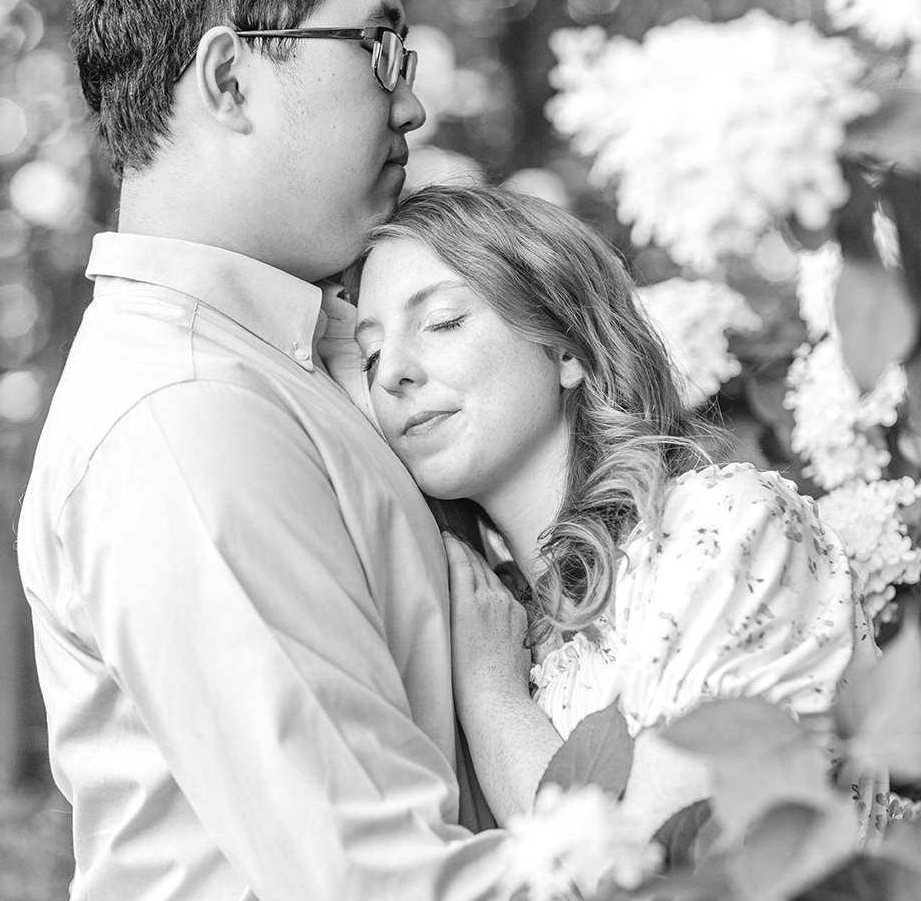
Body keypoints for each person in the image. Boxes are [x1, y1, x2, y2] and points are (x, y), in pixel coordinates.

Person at [14, 0, 575, 901]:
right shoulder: (189, 414)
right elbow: (387, 890)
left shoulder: (291, 372)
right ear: (227, 74)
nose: (415, 98)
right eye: (375, 46)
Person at [337, 183, 865, 835]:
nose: (393, 373)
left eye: (442, 321)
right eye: (370, 354)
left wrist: (491, 698)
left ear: (566, 348)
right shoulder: (487, 630)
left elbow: (658, 874)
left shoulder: (726, 527)